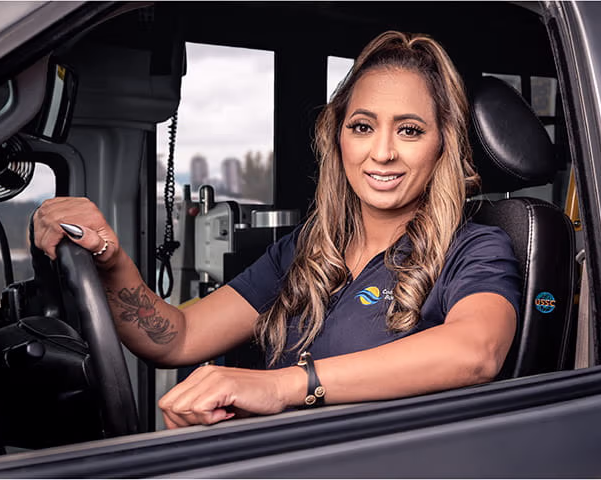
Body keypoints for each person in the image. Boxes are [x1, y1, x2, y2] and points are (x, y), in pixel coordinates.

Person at [33, 31, 522, 429]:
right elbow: (176, 338)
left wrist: (281, 385)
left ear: (442, 145)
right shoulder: (307, 250)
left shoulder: (474, 248)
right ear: (338, 138)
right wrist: (110, 258)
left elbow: (476, 351)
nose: (383, 152)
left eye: (410, 130)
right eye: (363, 126)